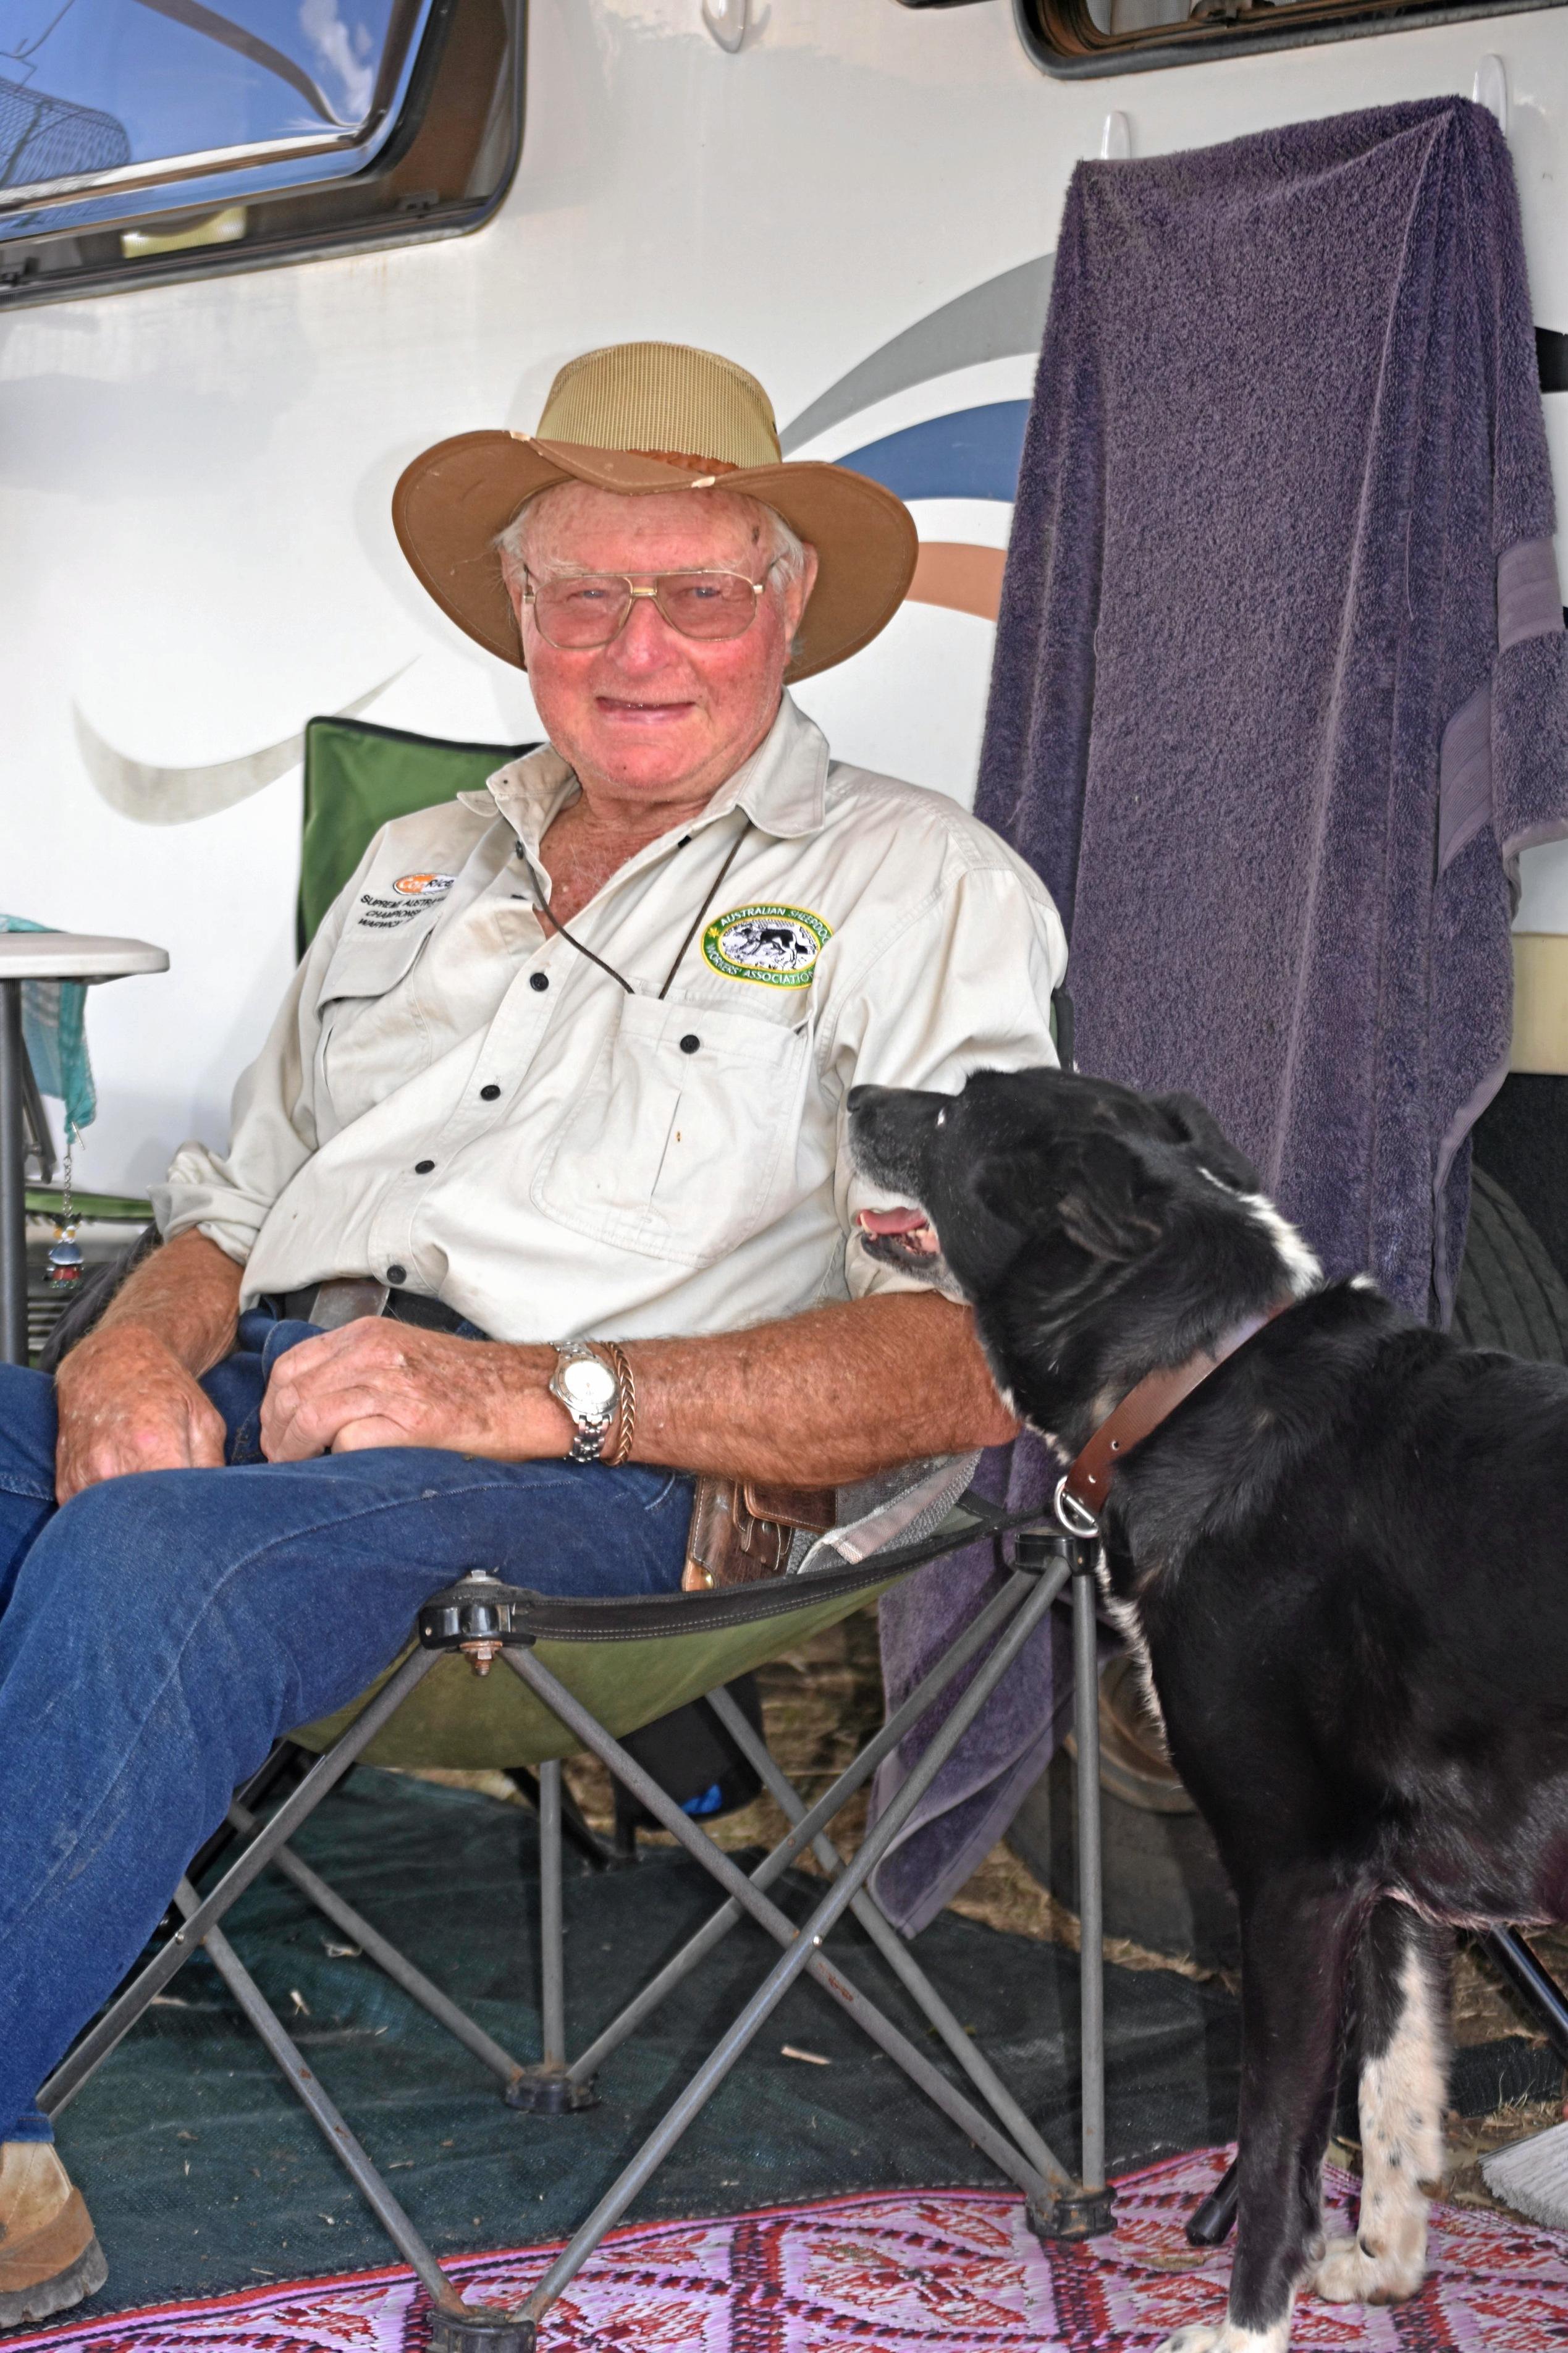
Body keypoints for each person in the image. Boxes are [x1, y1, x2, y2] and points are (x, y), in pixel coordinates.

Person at [0, 340, 1066, 2325]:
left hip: (614, 1483)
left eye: (696, 592)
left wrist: (527, 1392)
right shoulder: (419, 865)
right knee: (85, 1460)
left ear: (787, 609)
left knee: (156, 1559)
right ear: (517, 612)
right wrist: (130, 1356)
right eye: (585, 591)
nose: (637, 644)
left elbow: (968, 1358)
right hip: (279, 1395)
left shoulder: (922, 888)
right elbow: (226, 1213)